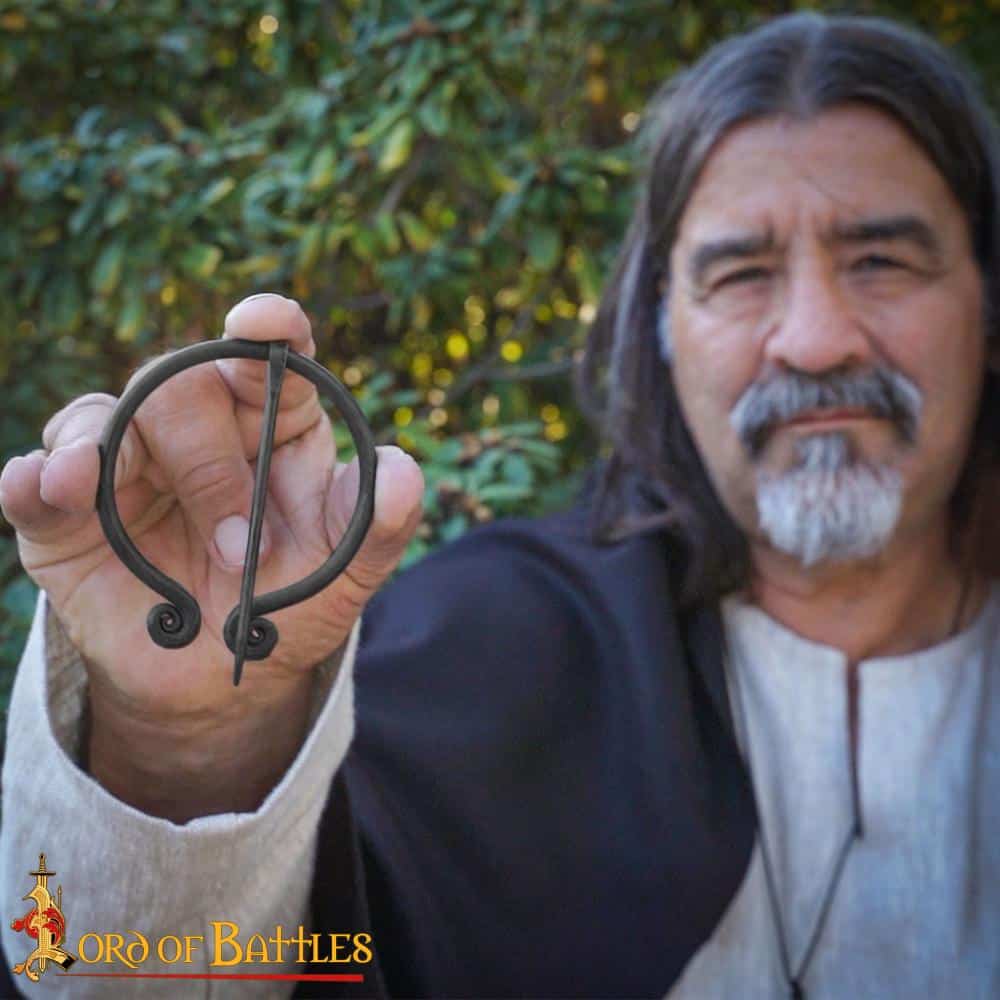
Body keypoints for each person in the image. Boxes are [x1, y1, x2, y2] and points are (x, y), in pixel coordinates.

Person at [2, 9, 1000, 998]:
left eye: (882, 262)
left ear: (987, 304)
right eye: (741, 274)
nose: (816, 340)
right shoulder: (488, 645)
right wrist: (186, 747)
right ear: (662, 331)